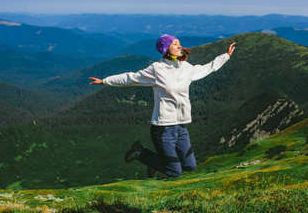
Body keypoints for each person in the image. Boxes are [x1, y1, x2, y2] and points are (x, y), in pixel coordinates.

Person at [89, 34, 236, 178]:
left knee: (190, 166)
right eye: (174, 44)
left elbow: (206, 68)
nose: (179, 46)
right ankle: (141, 153)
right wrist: (105, 81)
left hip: (181, 126)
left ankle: (156, 164)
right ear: (166, 49)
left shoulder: (186, 68)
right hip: (163, 128)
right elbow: (131, 78)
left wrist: (225, 56)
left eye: (179, 42)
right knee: (175, 172)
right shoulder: (157, 69)